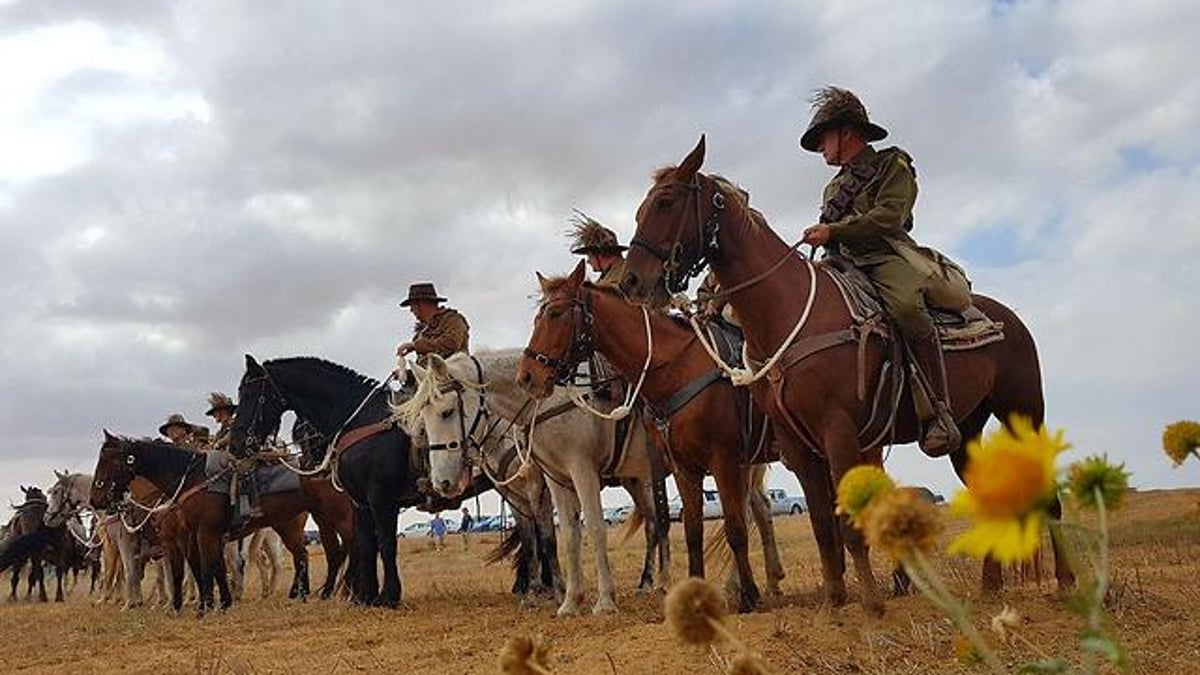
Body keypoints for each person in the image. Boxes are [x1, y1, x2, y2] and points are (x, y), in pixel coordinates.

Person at [798, 86, 971, 458]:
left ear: (847, 133)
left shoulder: (892, 164)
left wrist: (835, 230)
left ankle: (938, 410)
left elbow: (891, 216)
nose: (820, 149)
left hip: (885, 257)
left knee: (907, 307)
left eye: (823, 138)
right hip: (842, 263)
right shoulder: (834, 186)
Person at [396, 283, 470, 364]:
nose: (411, 310)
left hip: (456, 373)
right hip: (431, 375)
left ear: (422, 304)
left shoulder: (453, 320)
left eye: (413, 305)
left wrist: (415, 346)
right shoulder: (421, 332)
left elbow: (451, 343)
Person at [569, 212, 627, 288]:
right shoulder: (609, 275)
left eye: (589, 256)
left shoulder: (622, 275)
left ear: (599, 254)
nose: (588, 261)